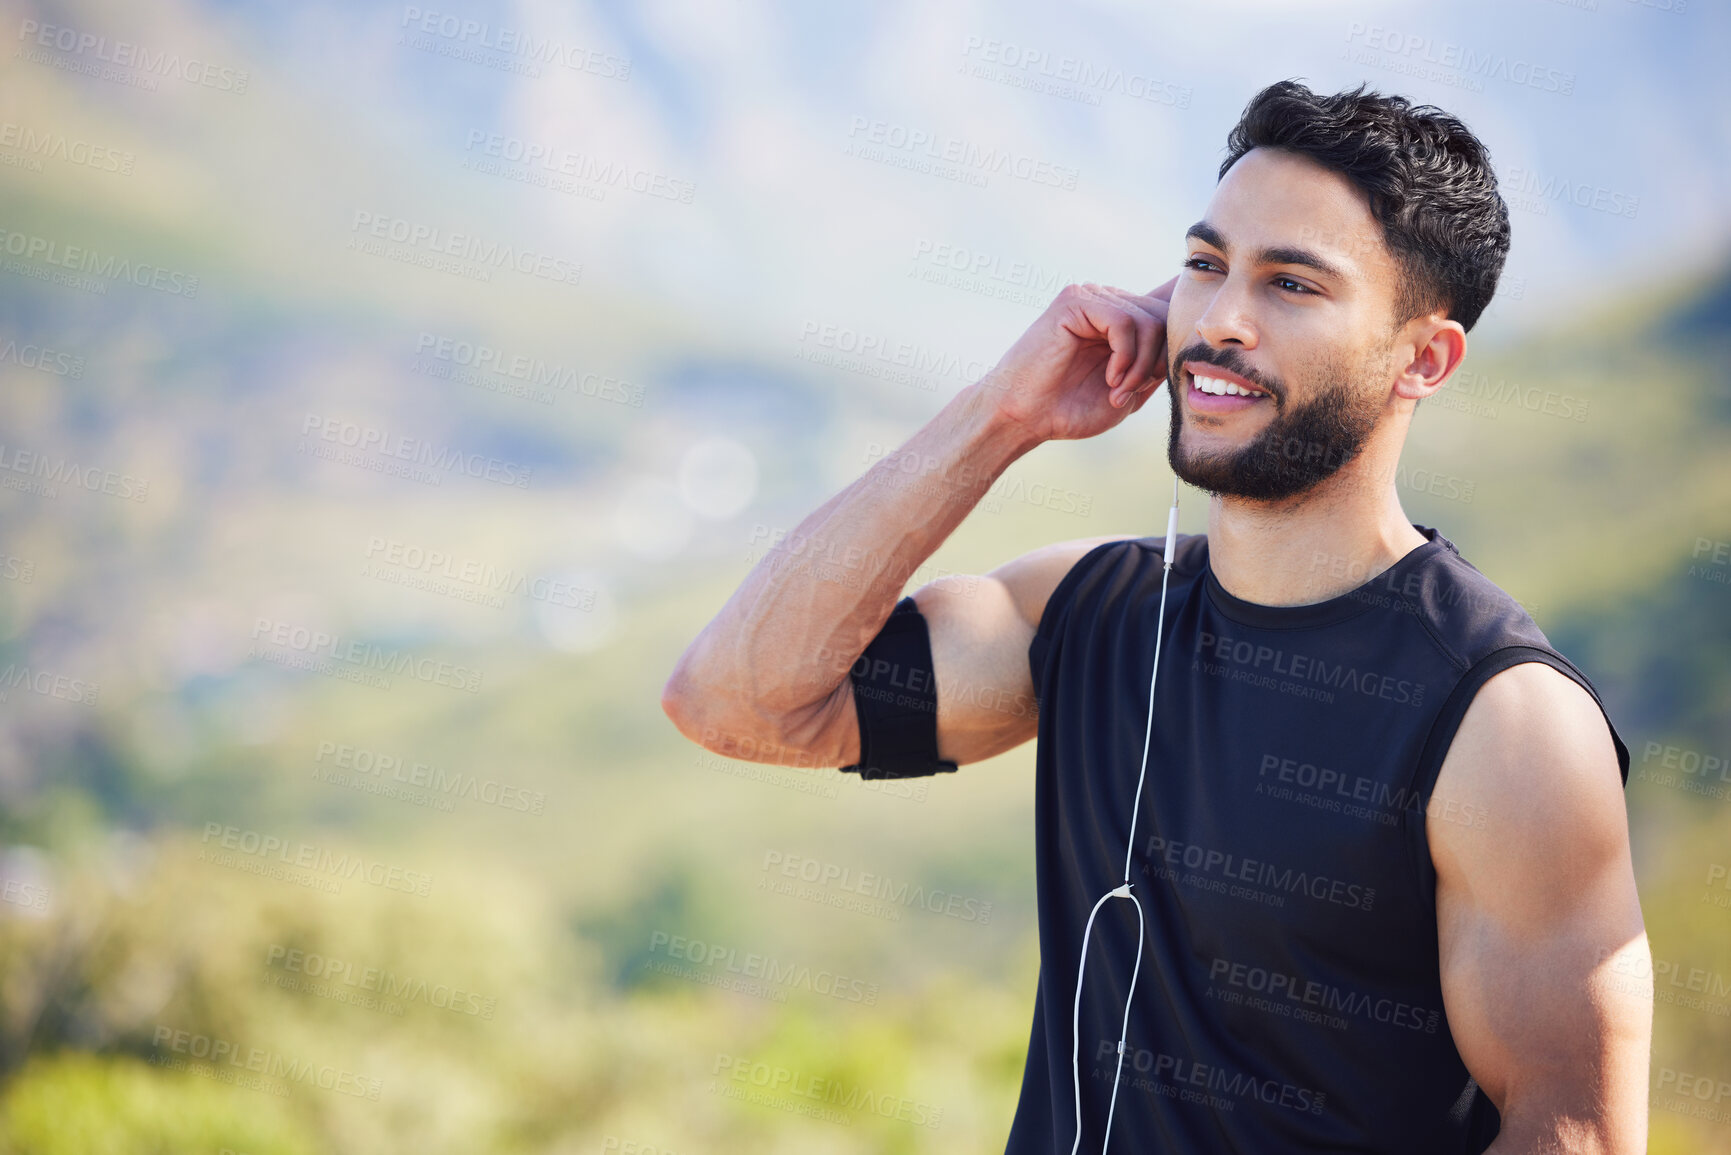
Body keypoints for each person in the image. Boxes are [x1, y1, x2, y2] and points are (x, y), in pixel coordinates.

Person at [661, 79, 1650, 1152]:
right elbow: (738, 702)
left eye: (1292, 286)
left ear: (1424, 359)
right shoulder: (1082, 613)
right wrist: (1003, 412)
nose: (1221, 319)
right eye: (1205, 264)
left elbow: (1574, 1132)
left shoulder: (1504, 721)